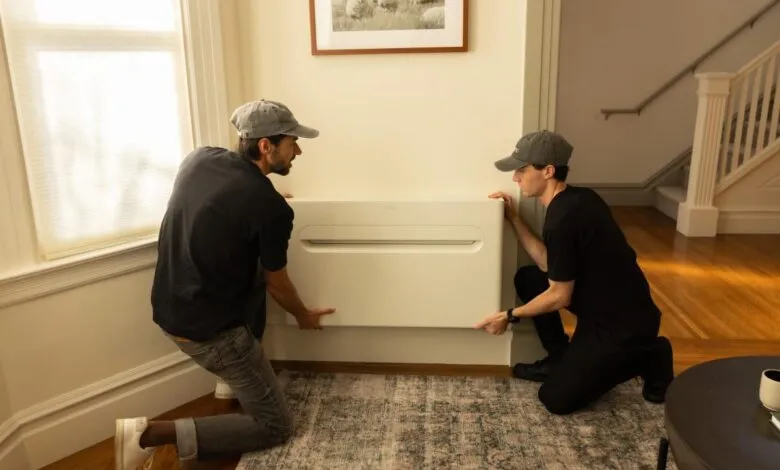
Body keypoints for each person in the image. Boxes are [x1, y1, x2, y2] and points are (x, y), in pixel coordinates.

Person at [114, 99, 336, 469]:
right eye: (292, 142)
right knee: (275, 425)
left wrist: (264, 200)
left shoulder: (199, 159)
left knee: (242, 264)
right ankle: (148, 434)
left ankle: (230, 379)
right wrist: (303, 315)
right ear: (266, 146)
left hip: (169, 310)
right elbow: (277, 284)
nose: (297, 150)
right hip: (212, 335)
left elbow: (218, 204)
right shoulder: (270, 209)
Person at [474, 130, 674, 416]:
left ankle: (651, 355)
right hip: (603, 306)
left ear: (548, 171)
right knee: (530, 277)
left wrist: (509, 315)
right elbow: (549, 265)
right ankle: (561, 358)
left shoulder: (564, 219)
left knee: (556, 398)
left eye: (522, 170)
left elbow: (558, 295)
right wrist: (514, 219)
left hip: (622, 326)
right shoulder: (577, 200)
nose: (515, 178)